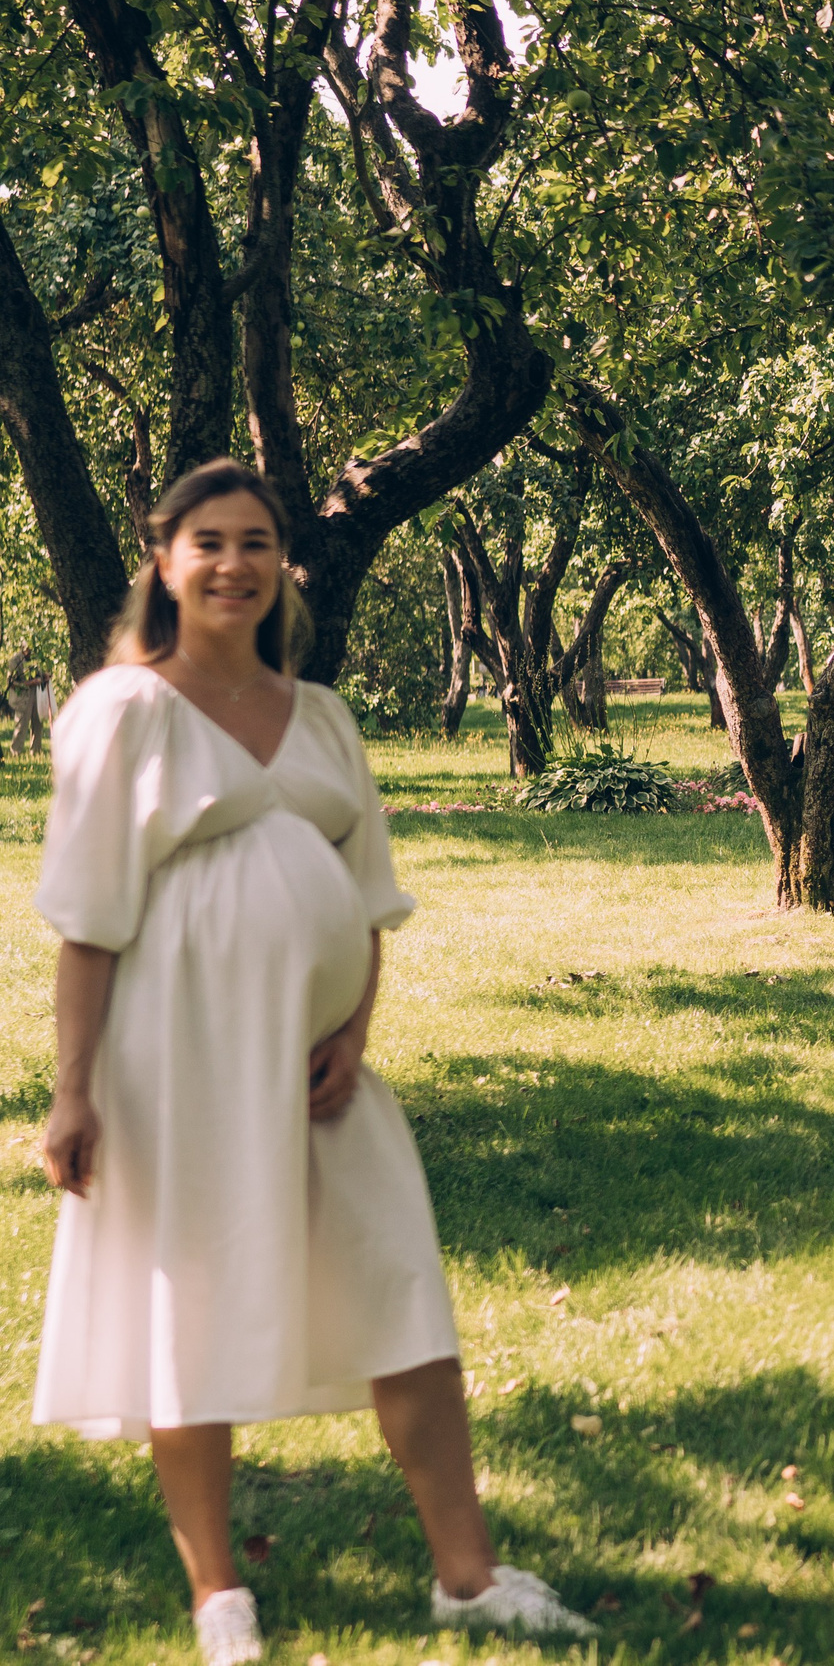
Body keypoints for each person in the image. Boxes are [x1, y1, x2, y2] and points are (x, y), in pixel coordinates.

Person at [32, 460, 595, 1666]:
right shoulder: (121, 712)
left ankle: (468, 1572)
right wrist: (72, 1087)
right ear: (165, 559)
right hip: (173, 1060)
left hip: (319, 1074)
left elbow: (365, 899)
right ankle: (217, 1593)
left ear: (286, 561)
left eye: (258, 541)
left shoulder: (325, 715)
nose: (235, 563)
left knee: (402, 1288)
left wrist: (354, 1031)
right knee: (190, 1305)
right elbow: (87, 918)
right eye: (209, 542)